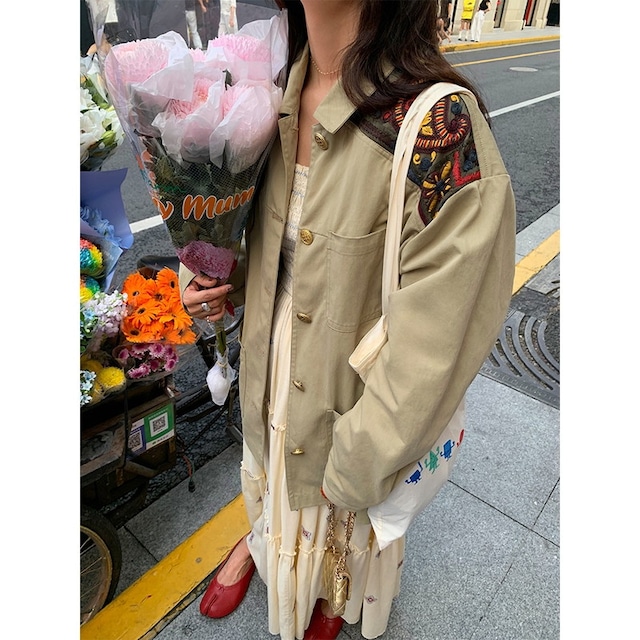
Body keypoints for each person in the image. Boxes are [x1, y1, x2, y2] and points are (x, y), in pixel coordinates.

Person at [180, 1, 515, 639]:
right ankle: (259, 541)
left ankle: (330, 589)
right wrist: (211, 272)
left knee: (331, 517)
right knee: (269, 483)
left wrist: (358, 464)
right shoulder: (259, 88)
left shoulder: (439, 125)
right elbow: (265, 237)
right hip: (267, 365)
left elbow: (439, 338)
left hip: (347, 399)